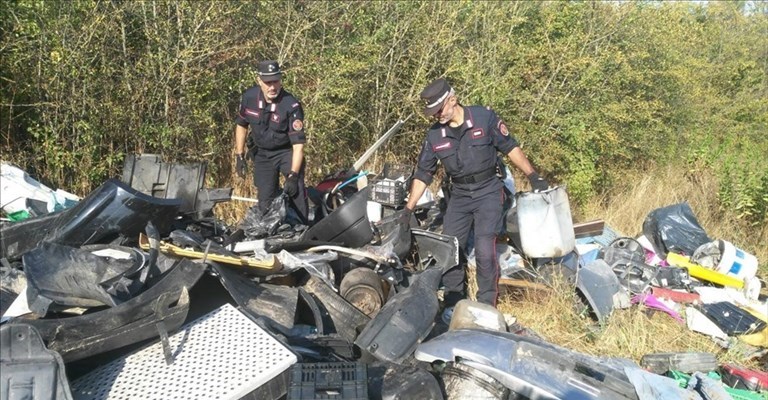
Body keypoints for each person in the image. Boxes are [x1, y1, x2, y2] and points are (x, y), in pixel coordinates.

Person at [402, 78, 549, 316]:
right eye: (431, 112)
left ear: (453, 100)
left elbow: (510, 147)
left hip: (488, 190)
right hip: (459, 195)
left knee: (483, 246)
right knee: (451, 246)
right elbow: (423, 173)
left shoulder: (483, 118)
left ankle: (486, 304)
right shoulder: (434, 136)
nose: (435, 115)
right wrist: (408, 210)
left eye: (438, 110)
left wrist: (533, 176)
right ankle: (453, 302)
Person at [234, 60, 308, 221]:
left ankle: (303, 226)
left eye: (275, 81)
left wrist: (293, 175)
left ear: (280, 80)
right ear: (259, 81)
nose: (272, 87)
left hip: (286, 152)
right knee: (265, 200)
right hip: (262, 153)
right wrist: (239, 155)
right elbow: (241, 125)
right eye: (268, 83)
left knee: (295, 189)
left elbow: (298, 146)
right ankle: (270, 231)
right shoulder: (249, 97)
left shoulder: (291, 105)